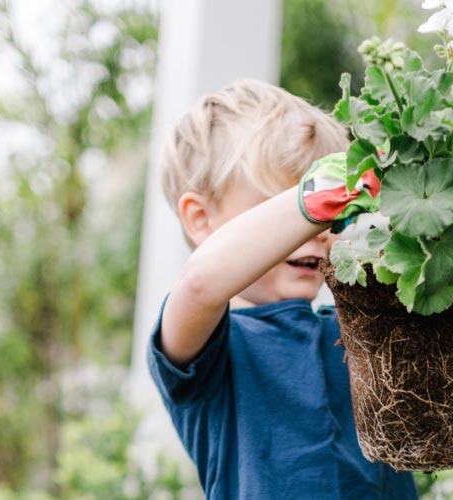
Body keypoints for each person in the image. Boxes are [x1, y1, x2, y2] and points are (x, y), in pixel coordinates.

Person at [147, 78, 419, 499]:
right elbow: (201, 282)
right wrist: (313, 201)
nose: (317, 229)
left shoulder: (354, 332)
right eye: (285, 208)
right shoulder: (209, 353)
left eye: (334, 214)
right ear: (201, 219)